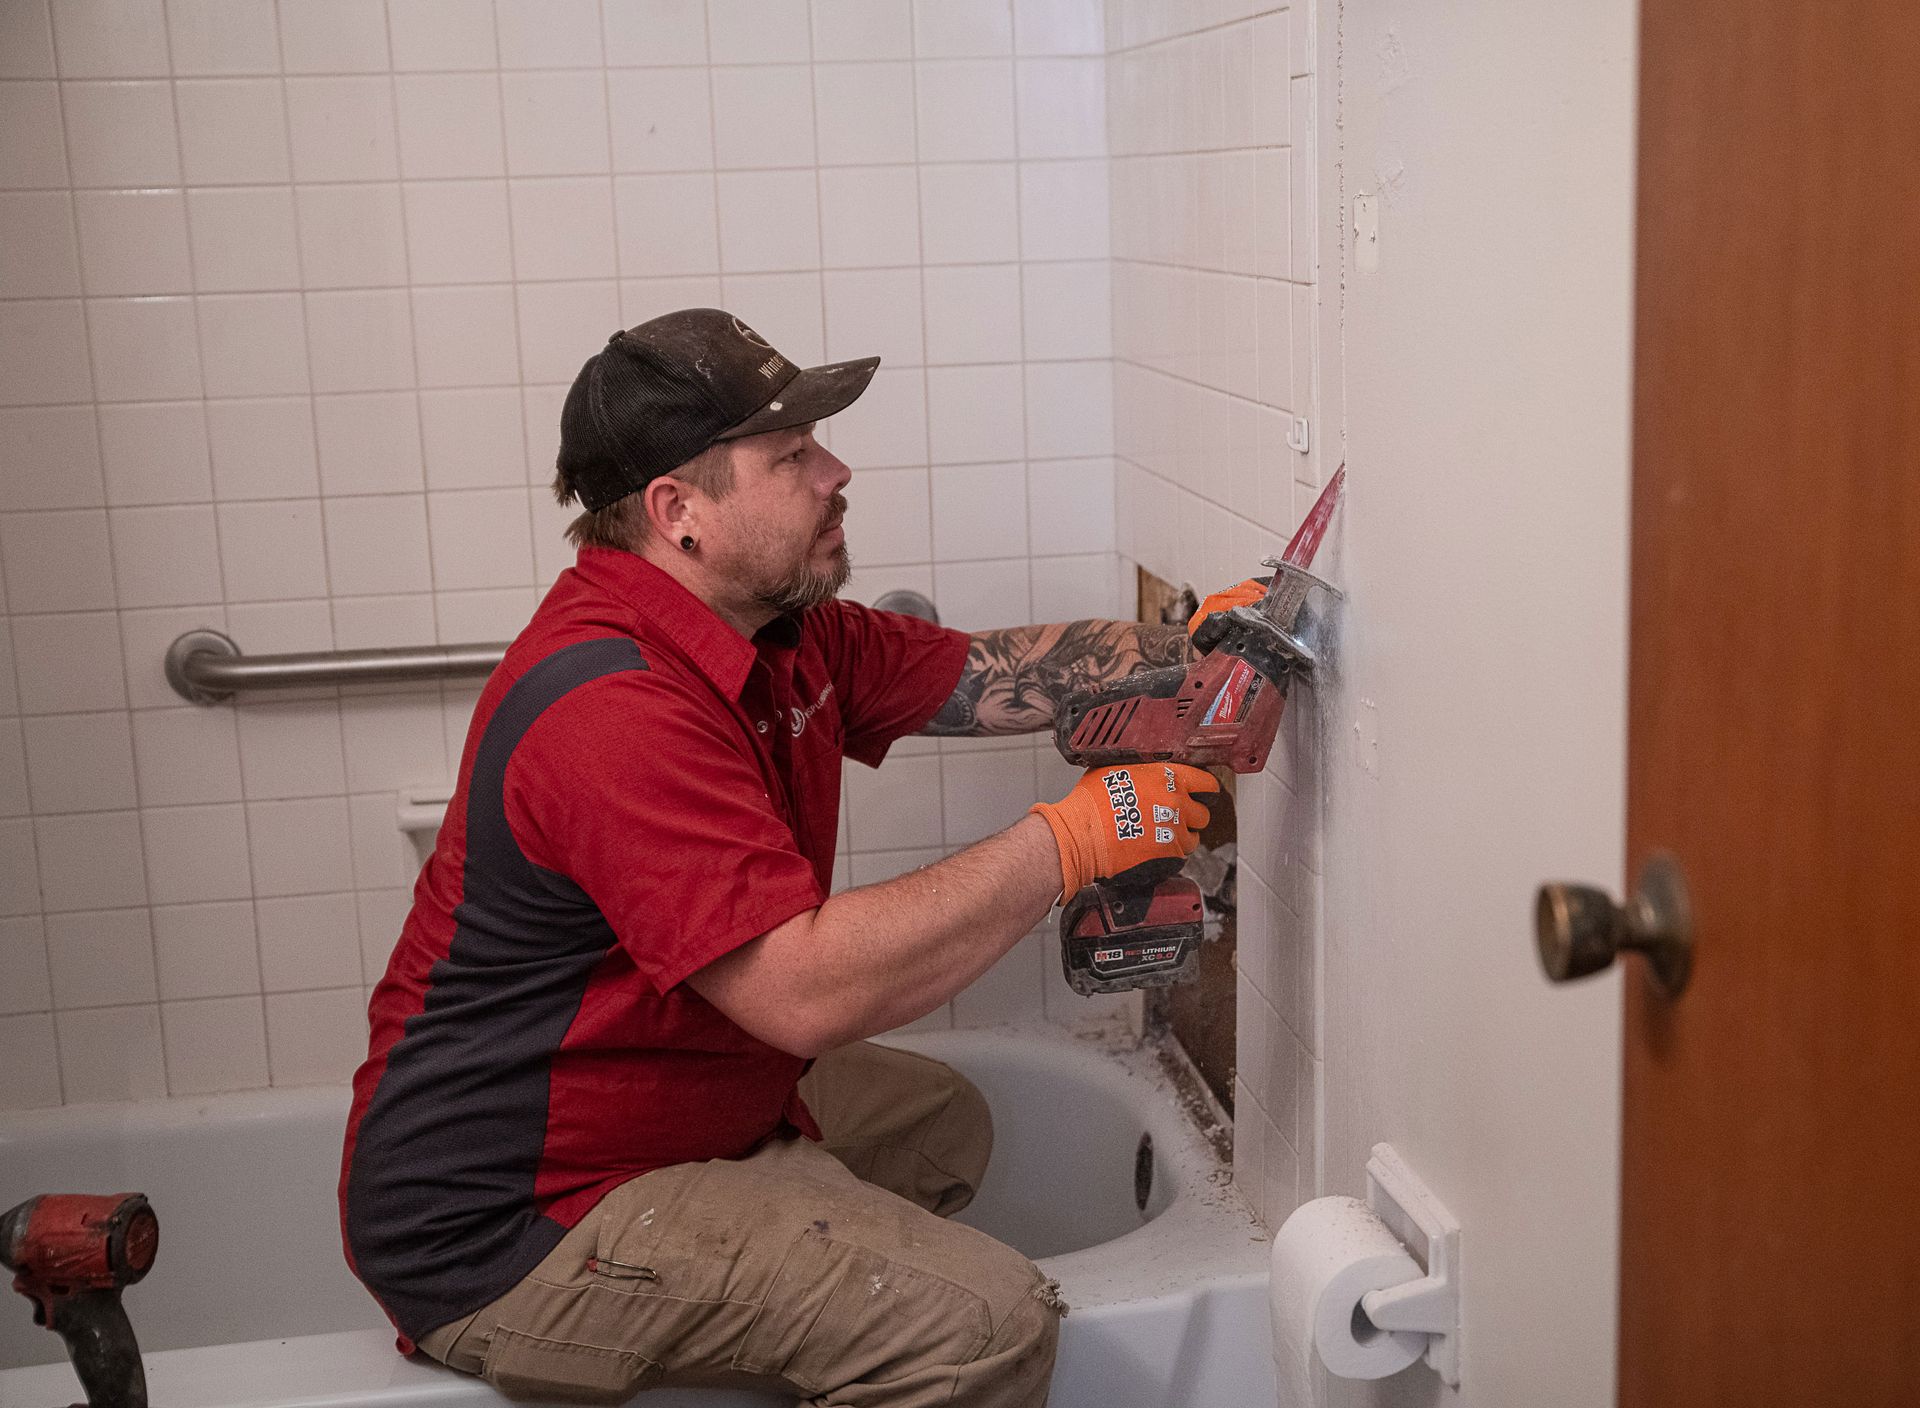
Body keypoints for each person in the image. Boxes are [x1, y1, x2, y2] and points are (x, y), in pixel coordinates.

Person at [338, 309, 1241, 1407]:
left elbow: (987, 672)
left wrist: (1190, 656)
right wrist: (1078, 837)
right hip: (515, 1217)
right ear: (679, 512)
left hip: (661, 1099)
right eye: (793, 456)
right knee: (985, 1325)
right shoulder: (613, 705)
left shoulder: (773, 627)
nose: (836, 471)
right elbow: (803, 994)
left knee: (941, 1123)